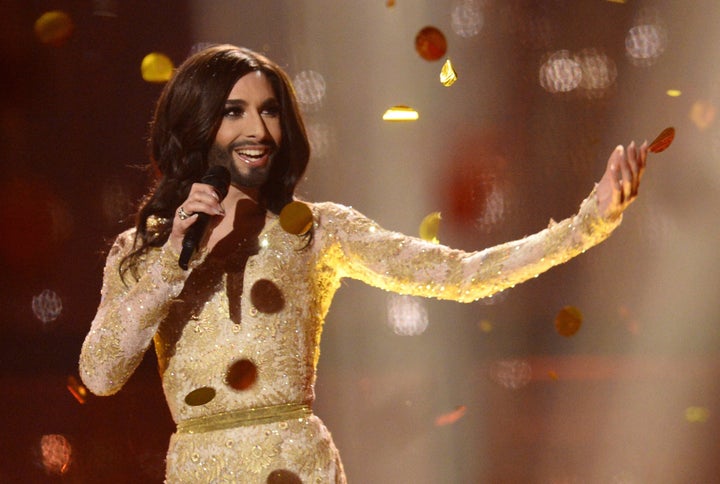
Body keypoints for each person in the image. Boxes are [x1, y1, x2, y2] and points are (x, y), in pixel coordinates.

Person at [79, 44, 648, 483]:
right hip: (199, 467)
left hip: (297, 465)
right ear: (197, 125)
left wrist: (586, 225)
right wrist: (174, 260)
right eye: (235, 112)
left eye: (270, 112)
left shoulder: (316, 230)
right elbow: (100, 376)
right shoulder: (142, 253)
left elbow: (461, 276)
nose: (258, 130)